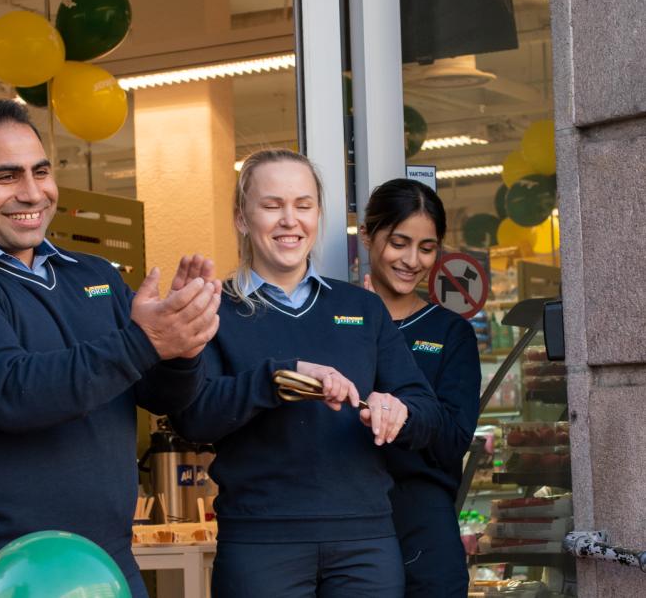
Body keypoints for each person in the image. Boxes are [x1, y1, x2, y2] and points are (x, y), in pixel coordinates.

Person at [0, 99, 220, 596]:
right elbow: (12, 391)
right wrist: (143, 340)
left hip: (107, 562)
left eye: (40, 171)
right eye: (6, 177)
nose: (32, 193)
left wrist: (181, 344)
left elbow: (161, 396)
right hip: (4, 571)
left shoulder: (93, 274)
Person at [169, 149, 441, 597]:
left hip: (365, 543)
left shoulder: (362, 307)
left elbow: (428, 414)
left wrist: (400, 410)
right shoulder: (215, 307)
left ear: (318, 215)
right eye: (272, 205)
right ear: (242, 217)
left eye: (303, 205)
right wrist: (277, 380)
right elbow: (194, 417)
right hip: (261, 543)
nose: (289, 220)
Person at [360, 179, 480, 597]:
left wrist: (404, 415)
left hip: (424, 525)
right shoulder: (339, 321)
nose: (412, 260)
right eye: (398, 242)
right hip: (346, 524)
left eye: (426, 248)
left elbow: (452, 440)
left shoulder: (451, 333)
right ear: (367, 235)